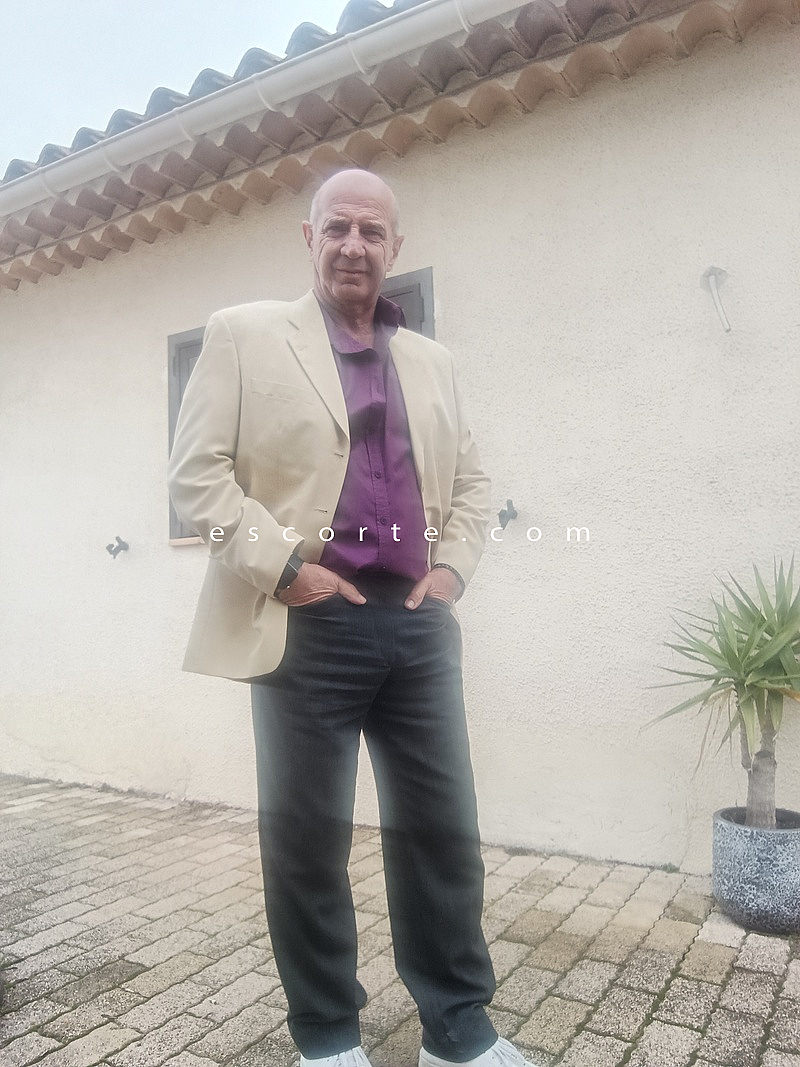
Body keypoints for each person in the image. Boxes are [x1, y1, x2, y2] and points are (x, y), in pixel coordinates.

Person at [168, 169, 534, 1067]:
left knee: (443, 830)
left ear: (395, 247)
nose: (354, 246)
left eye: (373, 232)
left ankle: (458, 1029)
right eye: (337, 228)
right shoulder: (244, 334)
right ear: (309, 237)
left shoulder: (434, 362)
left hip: (415, 623)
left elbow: (473, 482)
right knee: (307, 840)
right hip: (305, 624)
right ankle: (328, 1037)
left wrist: (451, 571)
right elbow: (196, 478)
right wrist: (285, 569)